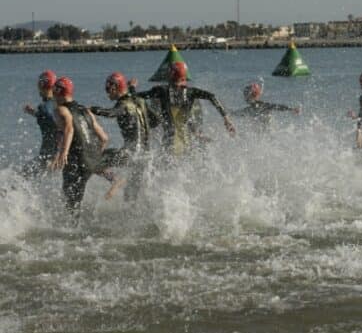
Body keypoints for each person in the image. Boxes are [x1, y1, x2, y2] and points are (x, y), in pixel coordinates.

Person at [49, 77, 121, 218]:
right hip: (93, 160)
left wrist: (62, 153)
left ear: (57, 92)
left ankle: (73, 230)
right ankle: (115, 179)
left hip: (77, 162)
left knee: (71, 205)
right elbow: (104, 138)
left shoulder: (60, 110)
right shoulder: (86, 111)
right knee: (89, 173)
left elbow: (69, 129)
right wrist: (94, 155)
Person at [131, 62, 236, 156]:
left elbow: (134, 97)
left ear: (169, 75)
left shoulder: (161, 90)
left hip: (169, 144)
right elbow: (212, 97)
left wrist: (132, 87)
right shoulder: (191, 92)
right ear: (184, 77)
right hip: (186, 143)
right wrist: (226, 118)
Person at [90, 72, 152, 201]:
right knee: (130, 196)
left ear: (114, 88)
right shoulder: (140, 101)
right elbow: (156, 120)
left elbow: (111, 113)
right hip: (145, 156)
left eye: (108, 89)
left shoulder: (122, 105)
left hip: (130, 154)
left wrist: (92, 109)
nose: (107, 93)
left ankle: (115, 179)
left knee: (92, 160)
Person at [21, 70, 59, 178]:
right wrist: (34, 113)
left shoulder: (45, 107)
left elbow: (60, 128)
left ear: (41, 85)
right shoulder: (57, 103)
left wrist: (57, 156)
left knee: (22, 176)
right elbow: (51, 120)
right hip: (53, 155)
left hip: (49, 156)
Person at [232, 79, 300, 131]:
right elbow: (276, 106)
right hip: (265, 134)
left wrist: (290, 109)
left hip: (266, 133)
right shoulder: (254, 107)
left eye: (245, 95)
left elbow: (276, 106)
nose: (245, 98)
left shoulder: (258, 107)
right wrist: (290, 109)